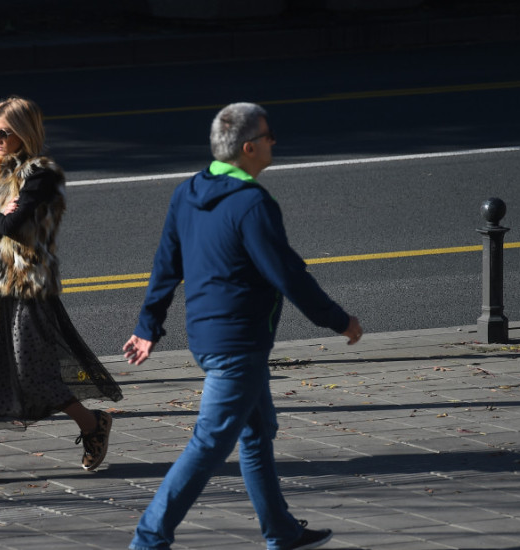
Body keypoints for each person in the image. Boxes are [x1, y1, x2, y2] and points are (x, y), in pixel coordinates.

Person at [122, 102, 363, 550]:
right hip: (238, 345)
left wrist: (148, 326)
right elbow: (287, 274)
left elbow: (164, 267)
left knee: (256, 432)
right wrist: (338, 321)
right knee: (209, 445)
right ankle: (149, 539)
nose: (275, 142)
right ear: (249, 147)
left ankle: (282, 531)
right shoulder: (252, 203)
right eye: (270, 136)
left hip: (211, 336)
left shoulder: (188, 190)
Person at [0, 96, 123, 486]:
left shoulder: (41, 175)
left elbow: (10, 225)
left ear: (24, 132)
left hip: (27, 286)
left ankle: (93, 424)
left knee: (33, 373)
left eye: (4, 131)